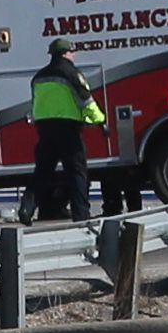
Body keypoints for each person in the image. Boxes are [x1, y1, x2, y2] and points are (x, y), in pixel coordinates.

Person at [28, 41, 106, 224]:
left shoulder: (39, 77)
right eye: (72, 51)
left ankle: (26, 208)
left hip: (45, 131)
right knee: (77, 173)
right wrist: (100, 120)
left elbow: (36, 104)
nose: (74, 55)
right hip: (68, 131)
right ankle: (81, 216)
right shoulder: (72, 73)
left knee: (42, 173)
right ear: (65, 53)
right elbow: (86, 100)